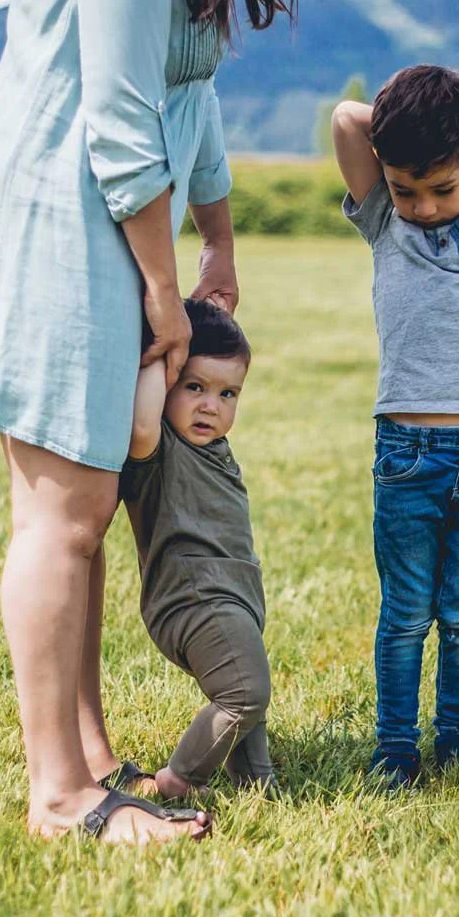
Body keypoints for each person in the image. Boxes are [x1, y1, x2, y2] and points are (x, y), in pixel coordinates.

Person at [0, 0, 339, 843]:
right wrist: (164, 285)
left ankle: (86, 760)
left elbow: (188, 97)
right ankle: (58, 798)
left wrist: (220, 239)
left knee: (91, 506)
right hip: (61, 219)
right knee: (62, 517)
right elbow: (121, 122)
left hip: (112, 221)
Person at [331, 65, 459, 790]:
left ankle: (458, 740)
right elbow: (348, 118)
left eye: (441, 189)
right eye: (405, 188)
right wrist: (401, 140)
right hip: (408, 456)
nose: (421, 206)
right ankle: (395, 747)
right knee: (407, 614)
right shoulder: (383, 221)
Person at [116, 300, 274, 801]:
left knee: (245, 691)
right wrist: (160, 356)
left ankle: (255, 780)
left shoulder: (212, 445)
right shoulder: (157, 446)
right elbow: (140, 427)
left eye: (228, 393)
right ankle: (180, 778)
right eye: (194, 387)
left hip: (231, 593)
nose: (212, 405)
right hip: (192, 597)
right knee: (244, 692)